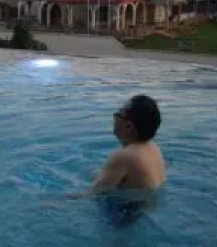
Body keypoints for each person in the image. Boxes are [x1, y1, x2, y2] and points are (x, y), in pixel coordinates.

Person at [70, 95, 166, 225]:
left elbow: (92, 193)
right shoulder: (153, 147)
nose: (114, 116)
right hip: (148, 207)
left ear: (128, 126)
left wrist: (54, 203)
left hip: (125, 213)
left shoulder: (124, 156)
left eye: (118, 113)